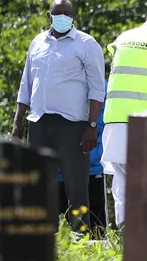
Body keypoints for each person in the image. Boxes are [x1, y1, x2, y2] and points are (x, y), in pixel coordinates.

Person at [13, 0, 106, 231]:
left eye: (67, 13)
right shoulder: (37, 43)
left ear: (73, 16)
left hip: (73, 126)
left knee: (76, 187)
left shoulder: (86, 44)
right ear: (49, 16)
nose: (63, 17)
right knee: (39, 183)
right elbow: (26, 83)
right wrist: (17, 123)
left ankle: (80, 237)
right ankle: (44, 238)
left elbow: (97, 88)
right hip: (39, 123)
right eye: (58, 13)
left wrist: (92, 126)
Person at [101, 2, 147, 228]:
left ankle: (123, 230)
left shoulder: (124, 37)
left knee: (122, 178)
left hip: (114, 118)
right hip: (143, 121)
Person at [58, 79, 108, 237]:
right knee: (63, 232)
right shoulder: (55, 84)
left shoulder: (101, 87)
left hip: (92, 170)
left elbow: (102, 124)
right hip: (61, 173)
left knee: (96, 231)